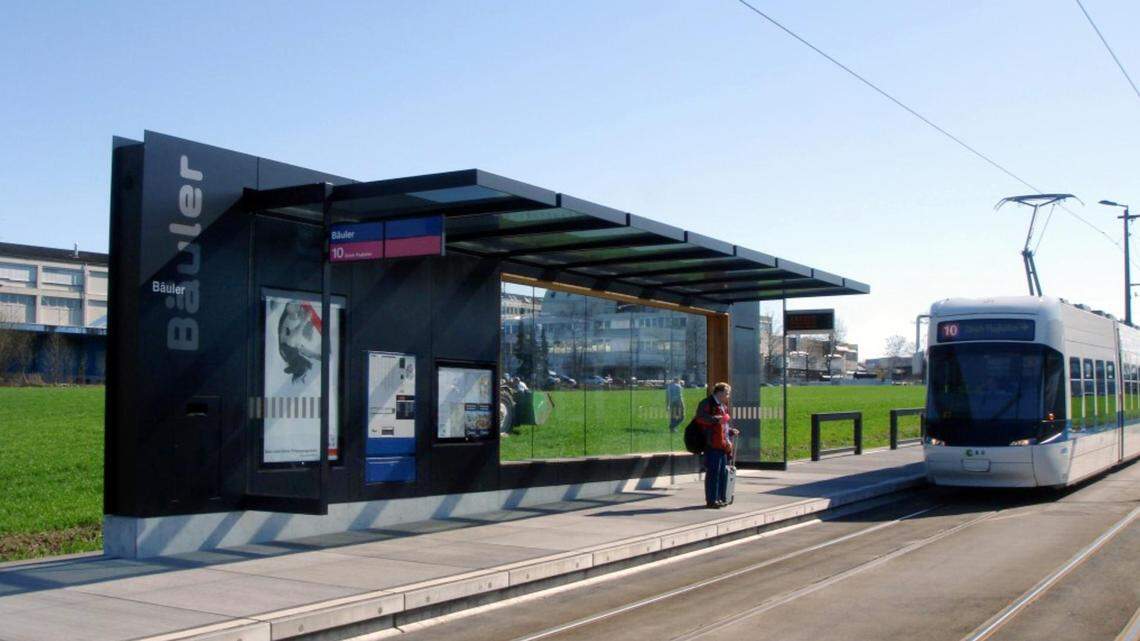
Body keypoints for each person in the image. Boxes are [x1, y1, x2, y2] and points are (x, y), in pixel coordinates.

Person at [694, 382, 739, 508]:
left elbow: (724, 425)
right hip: (712, 444)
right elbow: (700, 418)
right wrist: (715, 419)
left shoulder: (723, 406)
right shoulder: (707, 403)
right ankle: (711, 500)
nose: (728, 396)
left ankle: (720, 498)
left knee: (721, 473)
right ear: (719, 392)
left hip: (722, 444)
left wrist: (730, 431)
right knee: (713, 472)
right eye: (727, 393)